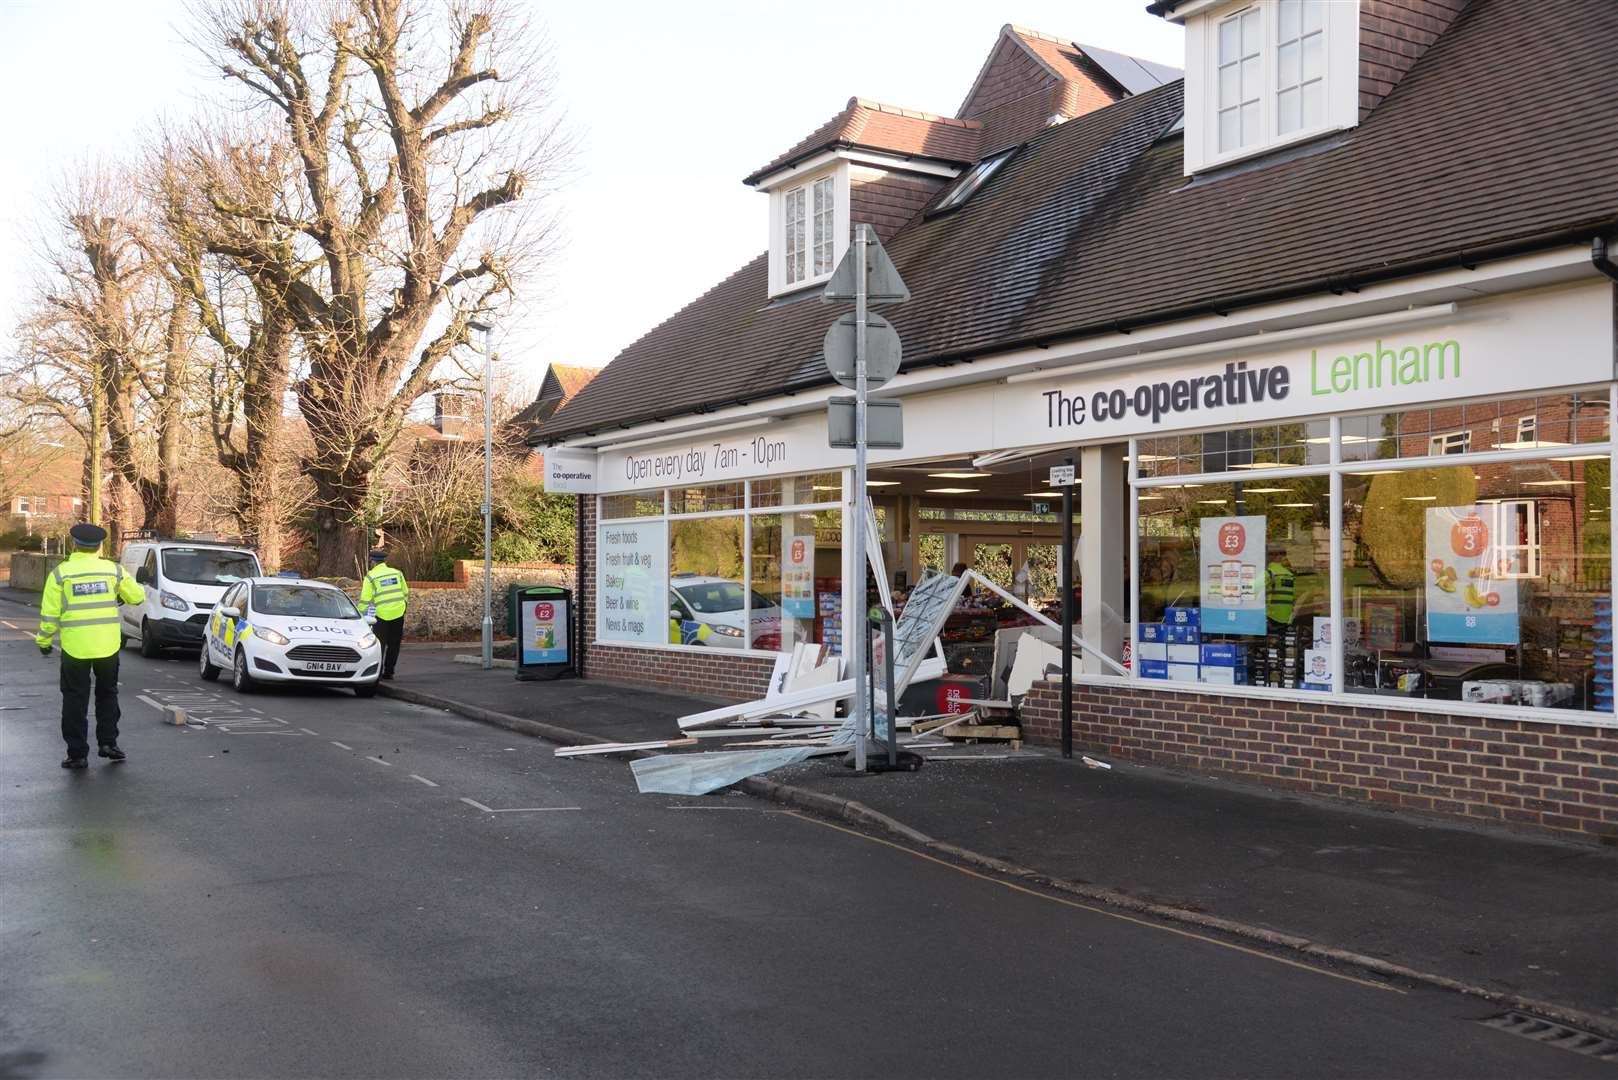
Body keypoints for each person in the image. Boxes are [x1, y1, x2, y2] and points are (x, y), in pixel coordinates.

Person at [36, 523, 145, 769]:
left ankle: (77, 754)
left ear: (75, 544)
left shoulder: (61, 574)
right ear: (99, 546)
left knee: (75, 699)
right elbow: (137, 596)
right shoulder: (113, 571)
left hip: (75, 648)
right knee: (107, 695)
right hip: (107, 646)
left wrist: (44, 641)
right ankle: (108, 743)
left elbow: (50, 614)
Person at [359, 549, 409, 679]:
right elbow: (405, 592)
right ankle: (389, 671)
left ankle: (378, 672)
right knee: (394, 644)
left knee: (379, 644)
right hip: (398, 613)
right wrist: (404, 607)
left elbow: (365, 599)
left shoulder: (370, 577)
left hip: (381, 615)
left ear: (373, 562)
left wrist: (359, 614)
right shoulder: (397, 573)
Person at [1266, 545, 1296, 628]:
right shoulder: (1290, 575)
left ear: (1272, 556)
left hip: (1271, 616)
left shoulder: (1269, 572)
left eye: (1268, 554)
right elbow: (1294, 596)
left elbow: (1251, 588)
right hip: (1287, 616)